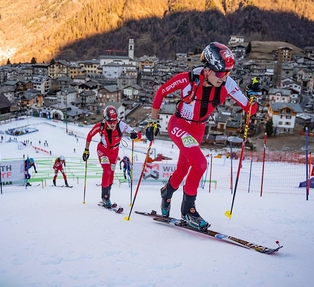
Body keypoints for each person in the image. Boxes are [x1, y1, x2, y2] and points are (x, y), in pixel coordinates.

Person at [145, 42, 259, 230]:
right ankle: (188, 210)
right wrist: (154, 121)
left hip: (198, 130)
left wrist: (253, 96)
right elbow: (161, 91)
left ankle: (166, 193)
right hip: (179, 125)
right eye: (221, 73)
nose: (225, 77)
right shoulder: (188, 79)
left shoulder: (227, 84)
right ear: (207, 70)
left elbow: (250, 109)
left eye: (228, 72)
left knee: (183, 169)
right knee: (200, 163)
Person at [83, 105, 141, 208]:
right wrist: (86, 150)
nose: (113, 124)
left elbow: (136, 133)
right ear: (105, 120)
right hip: (103, 150)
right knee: (107, 171)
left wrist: (135, 135)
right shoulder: (100, 126)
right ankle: (105, 197)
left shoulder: (120, 125)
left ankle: (107, 195)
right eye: (110, 122)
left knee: (112, 173)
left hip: (114, 152)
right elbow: (89, 135)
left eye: (114, 121)